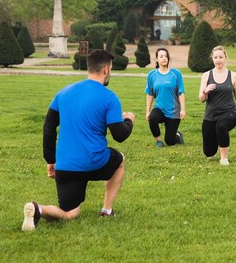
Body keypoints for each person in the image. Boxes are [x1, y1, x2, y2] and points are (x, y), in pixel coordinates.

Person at [21, 49, 135, 231]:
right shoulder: (109, 97)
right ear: (106, 69)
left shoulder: (63, 93)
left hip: (66, 166)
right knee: (120, 159)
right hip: (96, 163)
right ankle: (107, 210)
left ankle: (38, 209)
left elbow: (48, 128)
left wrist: (50, 160)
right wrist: (129, 120)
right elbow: (119, 135)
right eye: (111, 69)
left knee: (70, 214)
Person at [199, 45, 236, 165]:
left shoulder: (233, 76)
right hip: (211, 115)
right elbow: (201, 99)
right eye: (215, 57)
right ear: (212, 59)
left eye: (221, 57)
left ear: (225, 58)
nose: (218, 60)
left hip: (229, 113)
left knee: (221, 126)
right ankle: (218, 138)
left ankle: (224, 158)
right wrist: (205, 91)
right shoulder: (206, 75)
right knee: (209, 153)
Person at [145, 47, 186, 147]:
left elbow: (181, 92)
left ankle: (178, 135)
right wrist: (147, 111)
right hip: (160, 108)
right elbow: (149, 93)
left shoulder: (176, 74)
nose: (164, 58)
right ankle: (158, 141)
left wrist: (183, 109)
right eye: (161, 56)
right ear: (157, 59)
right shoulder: (152, 74)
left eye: (166, 56)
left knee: (170, 141)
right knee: (152, 118)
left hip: (173, 111)